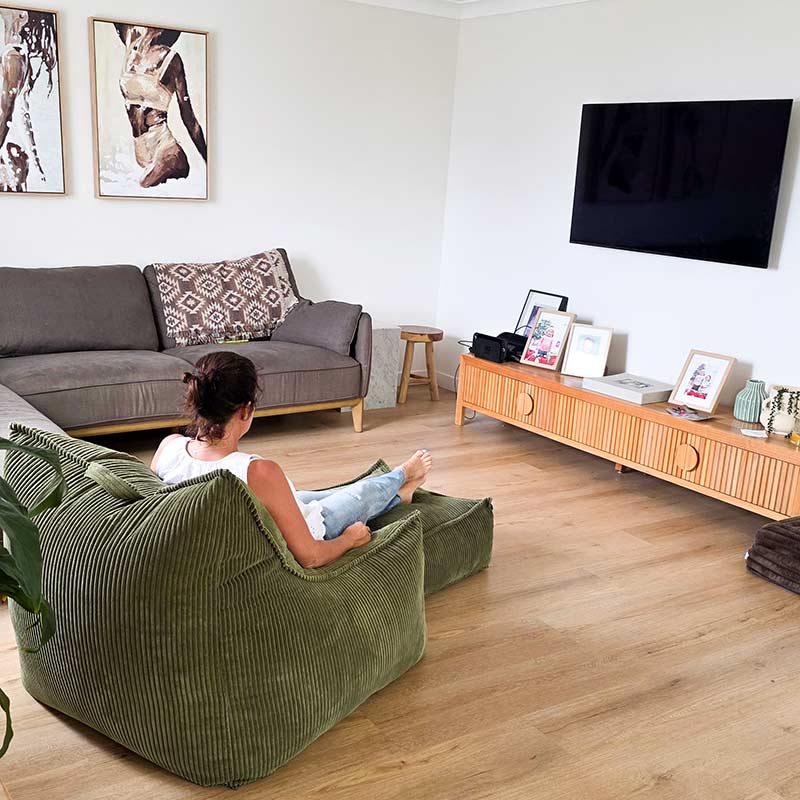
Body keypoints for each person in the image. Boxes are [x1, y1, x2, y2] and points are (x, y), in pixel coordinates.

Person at [151, 351, 433, 569]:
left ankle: (398, 496)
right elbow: (310, 556)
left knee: (319, 494)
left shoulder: (169, 447)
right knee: (361, 493)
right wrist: (350, 540)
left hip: (270, 512)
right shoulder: (257, 472)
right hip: (313, 528)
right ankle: (402, 474)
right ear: (246, 410)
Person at [113, 24, 207, 188]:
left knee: (139, 186)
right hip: (141, 150)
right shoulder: (131, 40)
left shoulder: (171, 59)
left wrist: (211, 162)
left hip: (166, 149)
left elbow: (189, 118)